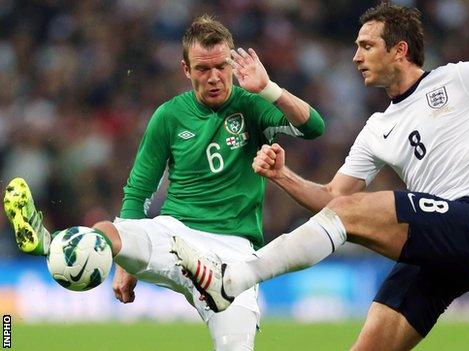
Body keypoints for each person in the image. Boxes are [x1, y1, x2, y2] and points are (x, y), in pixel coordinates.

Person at [170, 3, 469, 350]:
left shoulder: (461, 78)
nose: (356, 57)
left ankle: (235, 278)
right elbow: (332, 199)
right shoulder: (377, 128)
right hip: (436, 252)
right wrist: (283, 176)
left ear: (400, 50)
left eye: (366, 46)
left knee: (352, 211)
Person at [3, 14, 325, 351]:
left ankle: (57, 244)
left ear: (232, 63)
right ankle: (50, 243)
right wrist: (125, 262)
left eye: (222, 66)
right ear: (186, 70)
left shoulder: (254, 105)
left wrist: (269, 90)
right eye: (203, 69)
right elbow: (138, 193)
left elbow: (313, 127)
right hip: (174, 237)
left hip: (234, 255)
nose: (214, 77)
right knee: (107, 232)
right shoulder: (169, 116)